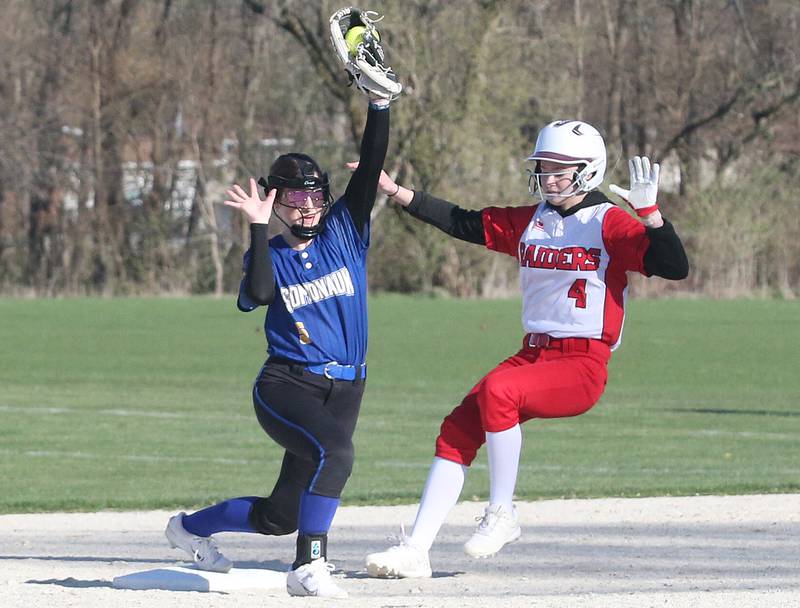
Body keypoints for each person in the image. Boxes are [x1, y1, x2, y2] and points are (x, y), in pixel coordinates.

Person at [362, 119, 689, 578]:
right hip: (533, 355)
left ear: (588, 170)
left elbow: (674, 266)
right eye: (544, 167)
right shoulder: (532, 219)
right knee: (458, 429)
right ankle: (416, 549)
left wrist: (651, 215)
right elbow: (461, 221)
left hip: (582, 362)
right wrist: (396, 191)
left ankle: (502, 513)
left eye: (560, 168)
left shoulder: (608, 221)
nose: (549, 177)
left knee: (499, 390)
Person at [162, 35, 398, 596]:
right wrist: (258, 224)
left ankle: (187, 528)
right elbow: (262, 295)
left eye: (315, 197)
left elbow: (369, 169)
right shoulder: (265, 253)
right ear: (276, 201)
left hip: (347, 387)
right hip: (286, 386)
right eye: (295, 199)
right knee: (335, 455)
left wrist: (380, 105)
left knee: (280, 515)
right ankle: (308, 568)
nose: (309, 206)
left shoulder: (345, 228)